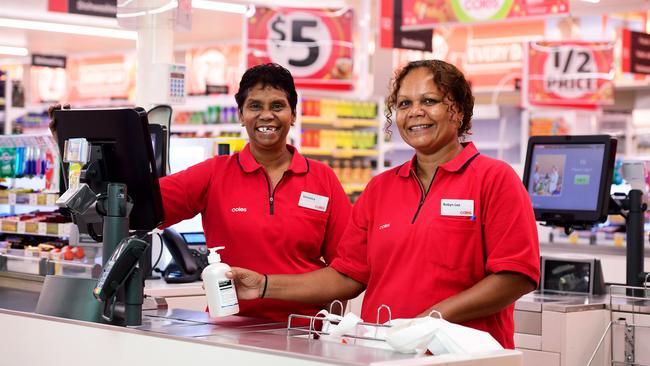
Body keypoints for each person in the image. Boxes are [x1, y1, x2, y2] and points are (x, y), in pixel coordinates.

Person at [227, 59, 540, 348]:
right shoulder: (381, 188)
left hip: (461, 355)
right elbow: (347, 275)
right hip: (386, 351)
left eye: (429, 101)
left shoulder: (494, 179)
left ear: (457, 111)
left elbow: (516, 276)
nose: (415, 112)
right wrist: (264, 285)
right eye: (404, 104)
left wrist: (431, 320)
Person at [50, 63, 352, 323]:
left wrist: (266, 286)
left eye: (277, 106)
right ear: (241, 115)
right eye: (255, 106)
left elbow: (348, 275)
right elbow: (137, 204)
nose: (266, 116)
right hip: (228, 330)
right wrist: (85, 158)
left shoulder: (322, 179)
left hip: (302, 331)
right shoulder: (214, 174)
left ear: (293, 114)